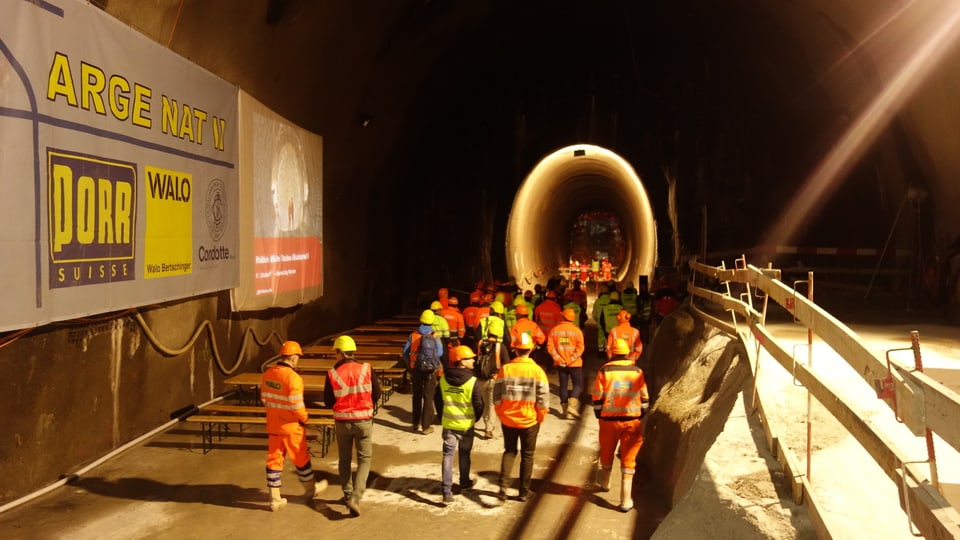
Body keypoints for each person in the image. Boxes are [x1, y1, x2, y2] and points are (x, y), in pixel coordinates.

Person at [261, 340, 324, 511]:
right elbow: (297, 405)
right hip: (291, 427)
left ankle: (275, 498)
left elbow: (265, 399)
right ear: (294, 358)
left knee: (274, 459)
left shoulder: (268, 374)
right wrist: (305, 418)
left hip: (274, 425)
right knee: (301, 459)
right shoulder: (293, 378)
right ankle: (311, 489)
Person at [323, 335, 380, 517]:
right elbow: (377, 393)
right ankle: (356, 496)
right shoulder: (366, 369)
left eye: (335, 353)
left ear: (340, 353)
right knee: (364, 460)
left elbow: (327, 401)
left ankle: (347, 494)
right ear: (353, 352)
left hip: (342, 422)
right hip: (363, 421)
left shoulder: (332, 373)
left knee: (344, 459)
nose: (335, 356)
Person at [591, 338, 649, 512]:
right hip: (632, 421)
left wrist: (598, 414)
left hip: (609, 421)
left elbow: (597, 396)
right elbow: (644, 396)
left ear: (611, 352)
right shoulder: (637, 371)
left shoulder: (604, 371)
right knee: (629, 459)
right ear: (627, 353)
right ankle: (625, 500)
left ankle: (605, 482)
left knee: (607, 452)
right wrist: (641, 414)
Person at [494, 333, 550, 502]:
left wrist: (501, 413)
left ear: (515, 349)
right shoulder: (537, 371)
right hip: (529, 420)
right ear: (531, 349)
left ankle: (503, 487)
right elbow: (543, 400)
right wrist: (540, 417)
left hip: (508, 419)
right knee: (528, 455)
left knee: (509, 451)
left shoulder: (506, 369)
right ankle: (524, 492)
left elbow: (496, 396)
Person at [438, 345, 484, 505]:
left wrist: (442, 416)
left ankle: (446, 491)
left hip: (449, 424)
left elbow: (437, 400)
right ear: (461, 362)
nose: (473, 360)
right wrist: (474, 419)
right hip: (466, 426)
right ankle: (464, 481)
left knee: (447, 456)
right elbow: (478, 404)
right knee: (464, 454)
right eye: (470, 358)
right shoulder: (472, 382)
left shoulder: (443, 379)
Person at [402, 310, 444, 435]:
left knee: (417, 396)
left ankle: (415, 423)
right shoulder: (435, 336)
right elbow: (440, 353)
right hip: (431, 370)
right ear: (432, 322)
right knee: (428, 396)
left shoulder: (413, 336)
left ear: (420, 320)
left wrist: (411, 366)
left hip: (416, 369)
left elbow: (405, 353)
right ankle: (426, 427)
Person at [475, 314, 511, 439]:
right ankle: (489, 429)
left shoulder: (480, 344)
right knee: (492, 405)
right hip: (494, 380)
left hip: (480, 380)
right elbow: (507, 365)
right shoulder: (501, 347)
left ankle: (487, 425)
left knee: (486, 403)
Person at [546, 308, 586, 419]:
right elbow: (580, 348)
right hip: (575, 364)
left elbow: (550, 347)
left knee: (563, 385)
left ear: (563, 317)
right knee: (578, 384)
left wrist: (558, 359)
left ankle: (564, 410)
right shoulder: (577, 331)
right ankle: (572, 406)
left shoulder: (555, 330)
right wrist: (570, 360)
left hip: (561, 364)